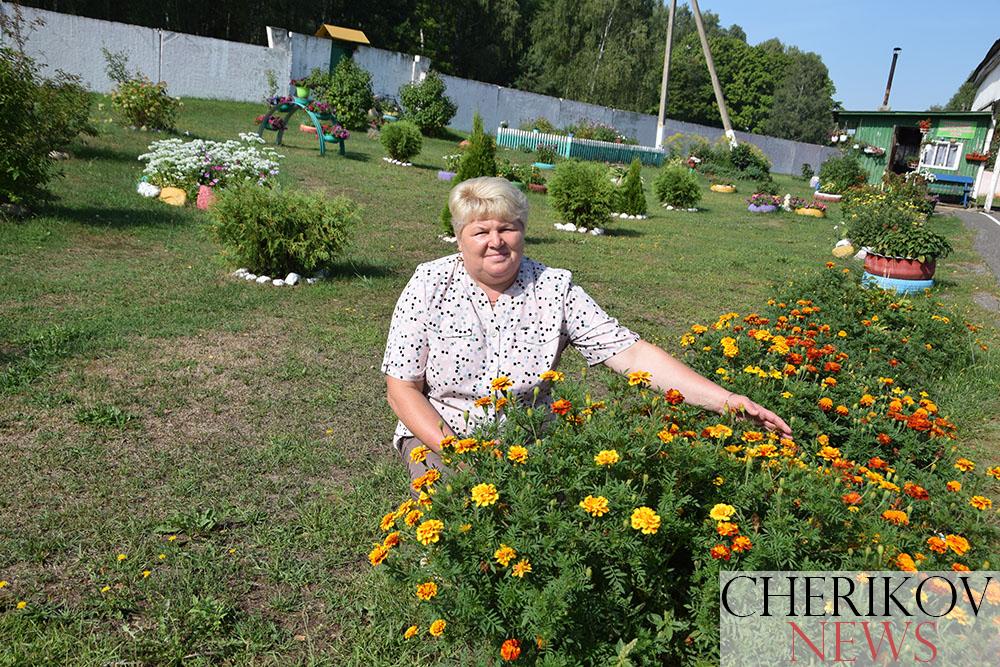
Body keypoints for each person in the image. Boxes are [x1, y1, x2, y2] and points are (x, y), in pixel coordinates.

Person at [383, 177, 791, 492]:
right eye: (480, 231)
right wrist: (459, 455)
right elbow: (402, 389)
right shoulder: (429, 283)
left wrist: (728, 401)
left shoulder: (553, 288)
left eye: (507, 228)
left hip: (528, 439)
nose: (496, 242)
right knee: (457, 516)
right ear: (460, 238)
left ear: (523, 231)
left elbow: (632, 356)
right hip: (442, 434)